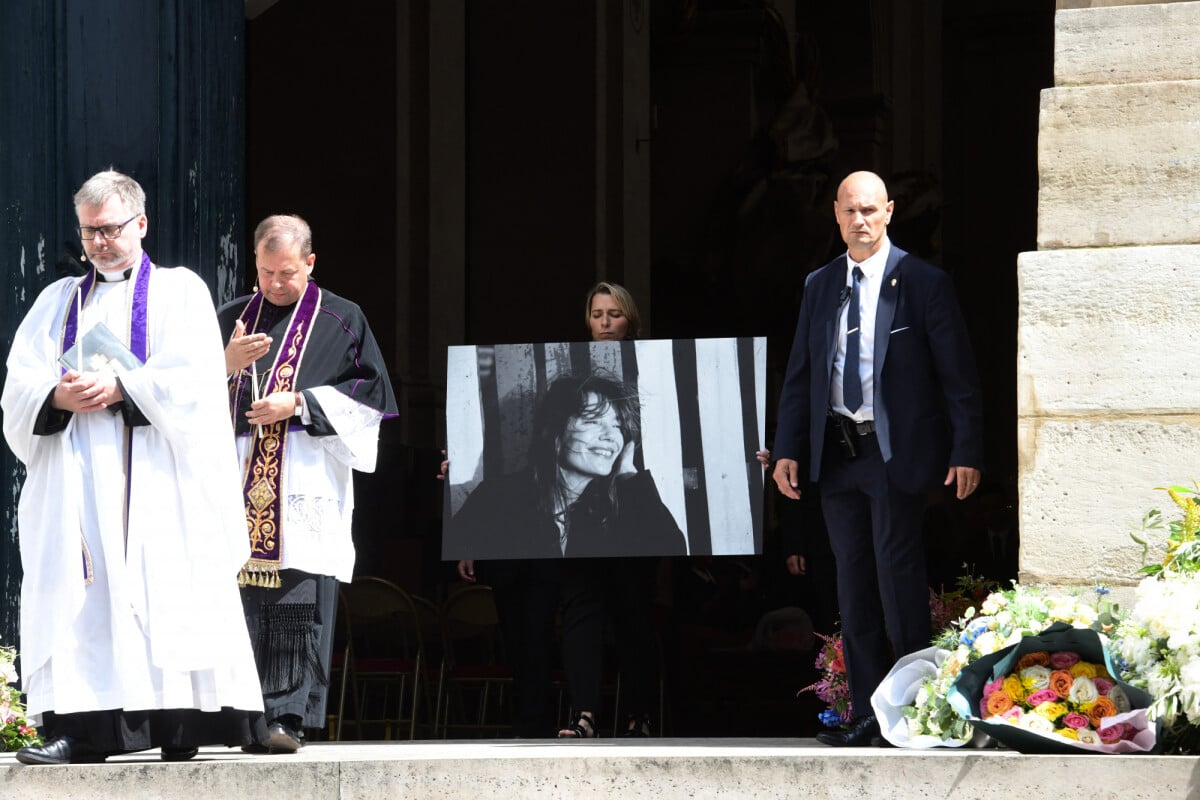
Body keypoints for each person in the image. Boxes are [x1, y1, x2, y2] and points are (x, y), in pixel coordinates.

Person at [1, 169, 266, 765]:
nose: (99, 241)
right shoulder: (56, 302)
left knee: (164, 590)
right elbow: (18, 387)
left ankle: (179, 727)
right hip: (80, 482)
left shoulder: (181, 291)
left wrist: (123, 386)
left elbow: (198, 379)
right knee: (83, 594)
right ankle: (84, 731)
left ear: (141, 224)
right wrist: (55, 397)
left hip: (158, 478)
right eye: (89, 231)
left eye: (112, 228)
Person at [771, 170, 983, 747]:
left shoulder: (921, 282)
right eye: (848, 212)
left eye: (869, 210)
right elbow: (801, 376)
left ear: (888, 211)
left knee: (897, 576)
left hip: (893, 453)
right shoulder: (819, 284)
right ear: (835, 216)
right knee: (851, 580)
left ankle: (914, 708)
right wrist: (787, 448)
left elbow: (957, 375)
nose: (859, 221)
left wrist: (966, 448)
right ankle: (866, 715)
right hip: (837, 453)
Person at [219, 214, 397, 753]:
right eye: (267, 271)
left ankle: (286, 718)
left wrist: (298, 404)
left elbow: (374, 396)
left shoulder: (343, 318)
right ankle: (240, 717)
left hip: (302, 481)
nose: (275, 284)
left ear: (311, 263)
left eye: (288, 273)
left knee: (298, 600)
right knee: (240, 602)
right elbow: (177, 399)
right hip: (237, 481)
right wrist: (223, 365)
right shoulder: (229, 318)